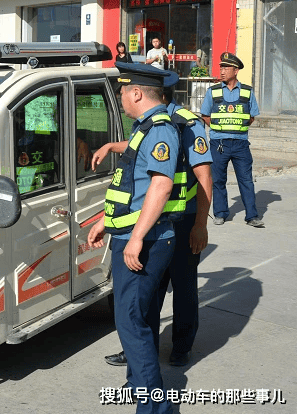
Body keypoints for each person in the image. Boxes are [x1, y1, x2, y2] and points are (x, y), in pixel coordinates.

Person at [97, 70, 213, 369]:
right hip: (155, 218)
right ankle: (137, 347)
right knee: (148, 290)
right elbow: (141, 147)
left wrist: (201, 224)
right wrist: (112, 145)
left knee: (183, 285)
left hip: (182, 219)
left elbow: (203, 177)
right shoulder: (150, 122)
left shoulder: (187, 123)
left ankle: (181, 345)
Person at [88, 63, 180, 414]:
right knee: (135, 319)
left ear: (137, 93)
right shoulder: (145, 129)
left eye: (123, 92)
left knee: (132, 323)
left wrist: (136, 238)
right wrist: (106, 223)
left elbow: (160, 185)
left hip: (147, 241)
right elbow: (132, 189)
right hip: (131, 233)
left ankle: (155, 407)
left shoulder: (159, 130)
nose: (122, 98)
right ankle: (140, 384)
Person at [200, 52, 263, 227]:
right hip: (218, 143)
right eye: (221, 67)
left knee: (246, 180)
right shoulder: (212, 91)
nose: (221, 71)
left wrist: (236, 127)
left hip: (241, 143)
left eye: (226, 67)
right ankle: (220, 213)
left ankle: (252, 216)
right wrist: (219, 128)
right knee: (218, 180)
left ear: (235, 70)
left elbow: (251, 117)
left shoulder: (247, 91)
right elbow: (205, 115)